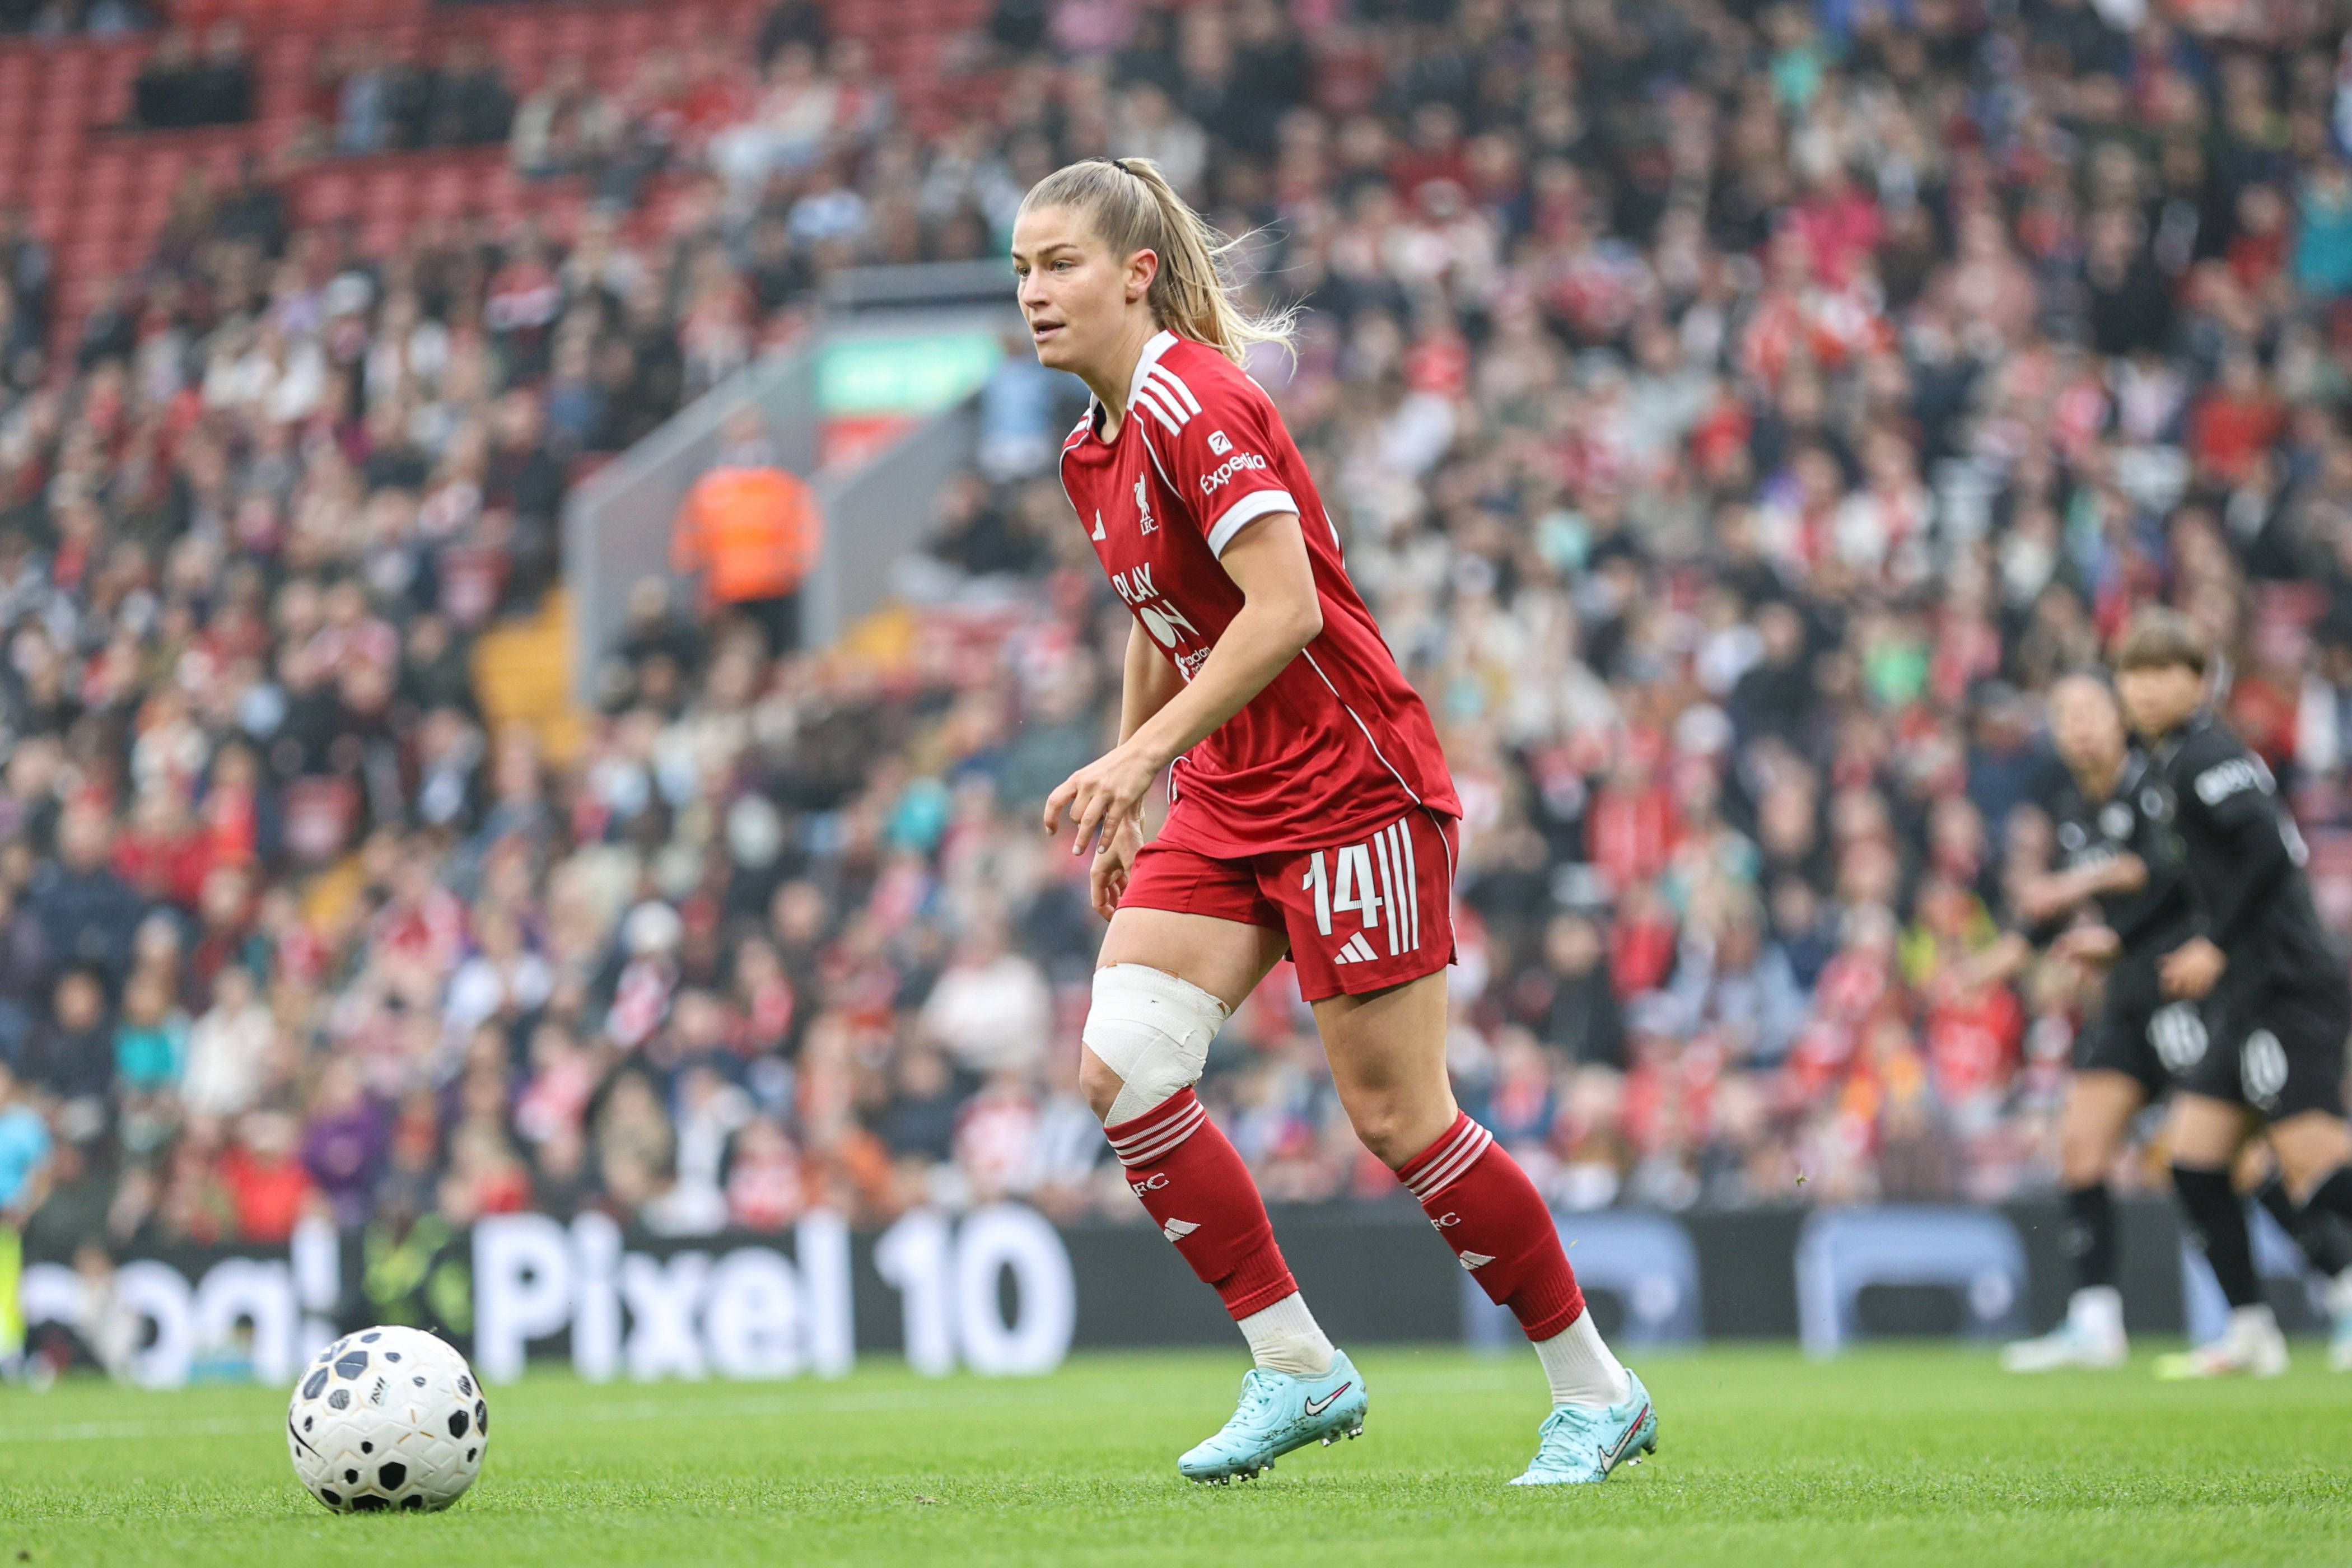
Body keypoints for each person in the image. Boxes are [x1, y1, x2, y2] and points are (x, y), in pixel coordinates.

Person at [1011, 155, 1654, 1486]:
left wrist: (1142, 765)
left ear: (1138, 275)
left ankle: (1596, 1393)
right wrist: (1143, 767)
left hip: (1349, 781)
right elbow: (1162, 613)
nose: (1034, 291)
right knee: (1122, 1067)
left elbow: (1285, 611)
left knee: (1398, 1117)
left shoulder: (1199, 401)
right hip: (1232, 787)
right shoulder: (1095, 441)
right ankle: (1297, 1368)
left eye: (1059, 262)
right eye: (1020, 269)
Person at [1989, 673, 2352, 1371]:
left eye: (2091, 709)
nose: (2079, 726)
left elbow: (2180, 872)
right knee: (2115, 1146)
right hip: (2137, 994)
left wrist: (2101, 898)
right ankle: (2109, 1321)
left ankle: (2336, 1286)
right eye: (2063, 714)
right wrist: (2025, 948)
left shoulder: (2168, 777)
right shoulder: (2074, 808)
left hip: (2209, 990)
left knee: (2272, 1162)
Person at [2112, 609, 2352, 1377]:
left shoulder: (2212, 754)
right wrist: (2118, 940)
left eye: (2165, 672)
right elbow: (2188, 878)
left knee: (2315, 1158)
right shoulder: (2165, 765)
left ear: (2200, 680)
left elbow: (2270, 856)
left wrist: (2216, 944)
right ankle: (2251, 1330)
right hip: (2246, 993)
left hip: (2287, 982)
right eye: (2135, 674)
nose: (2147, 690)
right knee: (2194, 1160)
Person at [670, 409, 821, 657]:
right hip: (726, 591)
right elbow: (689, 540)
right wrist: (696, 578)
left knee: (778, 658)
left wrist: (795, 568)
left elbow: (805, 533)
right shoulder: (709, 488)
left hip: (777, 589)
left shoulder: (783, 485)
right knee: (730, 658)